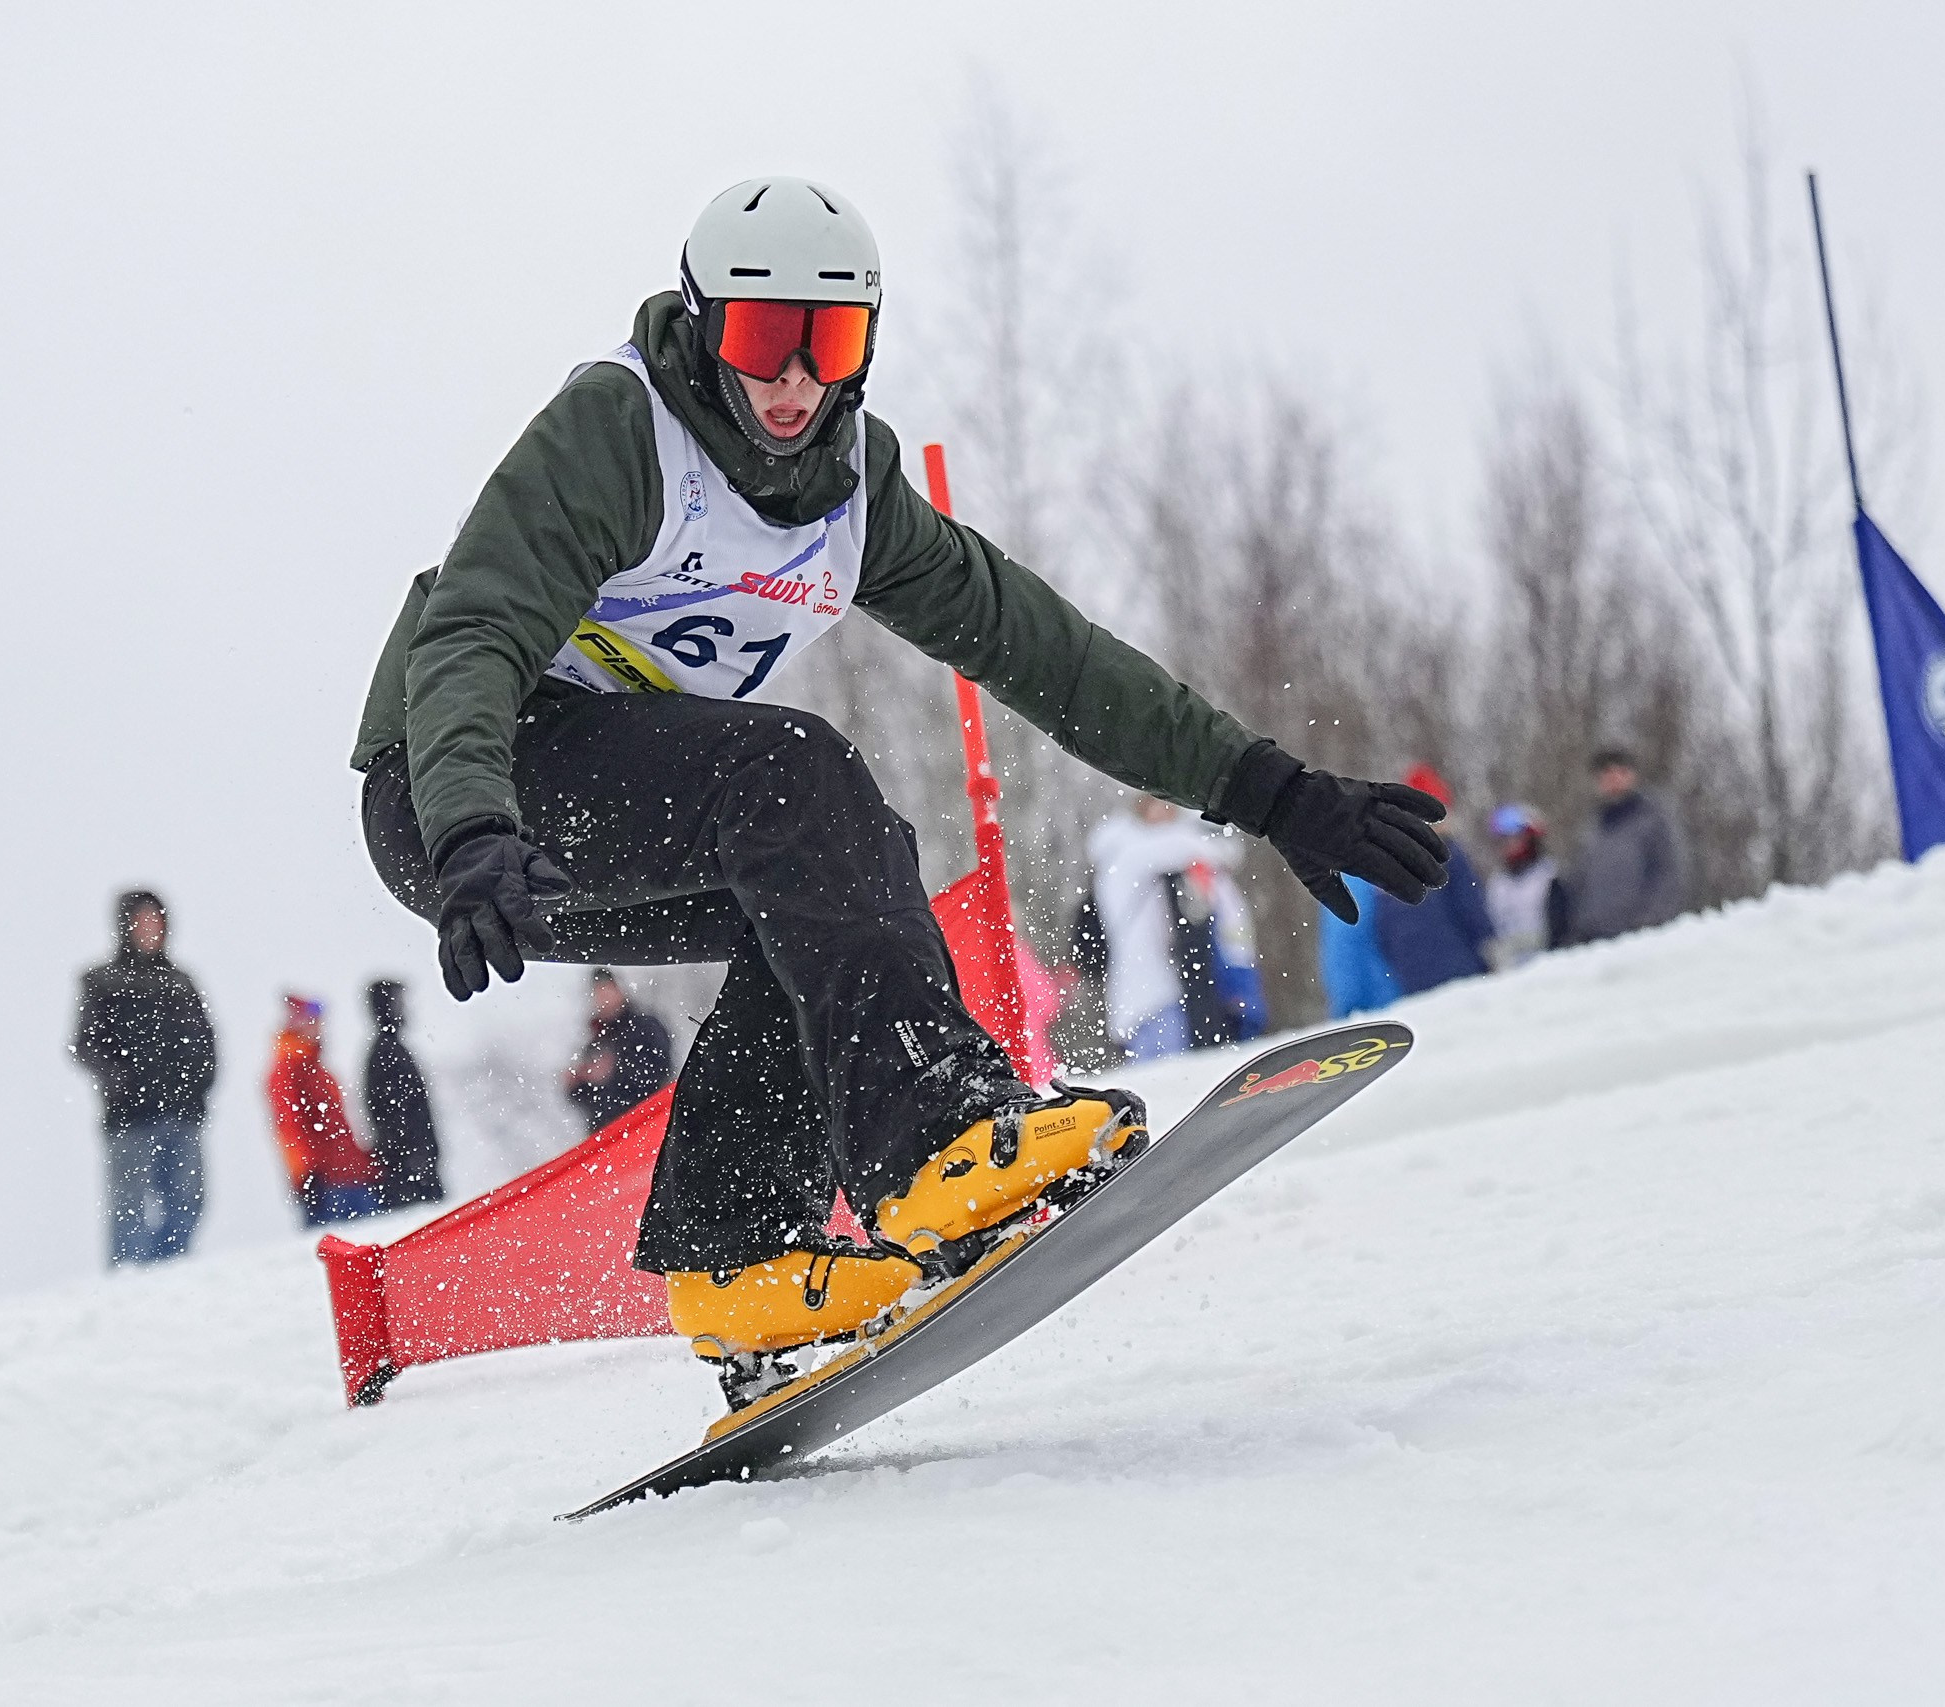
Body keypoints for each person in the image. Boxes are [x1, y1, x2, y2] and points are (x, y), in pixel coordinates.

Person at [350, 176, 1449, 1401]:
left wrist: (1269, 791)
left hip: (589, 804)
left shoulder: (850, 495)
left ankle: (739, 1259)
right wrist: (469, 825)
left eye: (826, 344)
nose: (791, 381)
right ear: (705, 327)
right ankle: (938, 1142)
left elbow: (1048, 655)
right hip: (462, 789)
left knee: (839, 873)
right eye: (762, 338)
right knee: (792, 771)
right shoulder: (621, 430)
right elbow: (475, 631)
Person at [69, 890, 214, 1266]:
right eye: (142, 920)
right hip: (130, 1119)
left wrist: (198, 1086)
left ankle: (170, 1273)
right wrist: (121, 1082)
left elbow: (205, 1040)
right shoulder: (102, 981)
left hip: (182, 1114)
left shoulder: (180, 982)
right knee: (129, 1210)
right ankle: (130, 1283)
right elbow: (85, 1044)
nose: (150, 928)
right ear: (124, 926)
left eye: (156, 920)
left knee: (189, 1201)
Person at [1085, 796, 1261, 1060]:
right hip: (1148, 994)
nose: (1167, 814)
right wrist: (1217, 844)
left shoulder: (1126, 855)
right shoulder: (1126, 854)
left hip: (1153, 992)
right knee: (1168, 1073)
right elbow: (1186, 848)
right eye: (1161, 805)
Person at [1373, 764, 1497, 997]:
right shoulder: (1447, 853)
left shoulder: (1388, 864)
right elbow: (1470, 907)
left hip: (1412, 983)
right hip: (1460, 971)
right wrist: (1490, 947)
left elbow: (1384, 934)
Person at [266, 995, 383, 1226]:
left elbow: (338, 1126)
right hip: (329, 1185)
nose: (319, 1027)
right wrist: (306, 1175)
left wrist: (365, 1163)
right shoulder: (288, 1070)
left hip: (351, 1177)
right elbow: (289, 1127)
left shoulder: (315, 1068)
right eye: (311, 1020)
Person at [1563, 748, 1692, 944]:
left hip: (1639, 938)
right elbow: (1579, 882)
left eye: (1621, 772)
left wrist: (1648, 925)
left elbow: (1669, 874)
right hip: (1595, 940)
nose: (1614, 779)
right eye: (1607, 773)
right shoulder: (1592, 830)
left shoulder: (1653, 821)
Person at [362, 980, 444, 1208]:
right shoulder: (385, 1052)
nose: (405, 1008)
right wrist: (414, 1157)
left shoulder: (392, 1049)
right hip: (406, 1173)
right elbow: (391, 1116)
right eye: (398, 1001)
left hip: (412, 1167)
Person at [562, 968, 676, 1132]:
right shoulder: (595, 1041)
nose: (603, 999)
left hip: (644, 1125)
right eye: (598, 993)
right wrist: (577, 1083)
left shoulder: (644, 1027)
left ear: (619, 990)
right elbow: (589, 1101)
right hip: (608, 1133)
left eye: (607, 991)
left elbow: (659, 1070)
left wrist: (613, 1071)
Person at [1483, 803, 1564, 970]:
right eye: (1504, 840)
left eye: (1516, 838)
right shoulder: (1497, 886)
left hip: (1548, 964)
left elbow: (1562, 928)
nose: (1510, 845)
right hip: (1511, 969)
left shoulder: (1549, 877)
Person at [1316, 878, 1402, 1019]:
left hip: (1385, 1000)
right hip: (1385, 1002)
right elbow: (1345, 946)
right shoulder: (1356, 882)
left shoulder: (1347, 880)